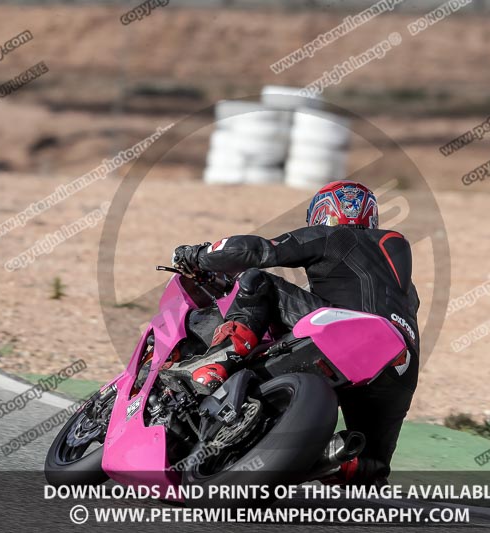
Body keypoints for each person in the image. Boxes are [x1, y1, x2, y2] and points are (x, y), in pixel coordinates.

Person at [171, 180, 420, 485]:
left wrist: (199, 255)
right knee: (368, 467)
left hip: (350, 332)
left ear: (322, 213)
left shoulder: (332, 235)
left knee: (257, 280)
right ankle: (319, 457)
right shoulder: (404, 286)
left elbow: (258, 250)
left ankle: (219, 360)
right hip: (400, 368)